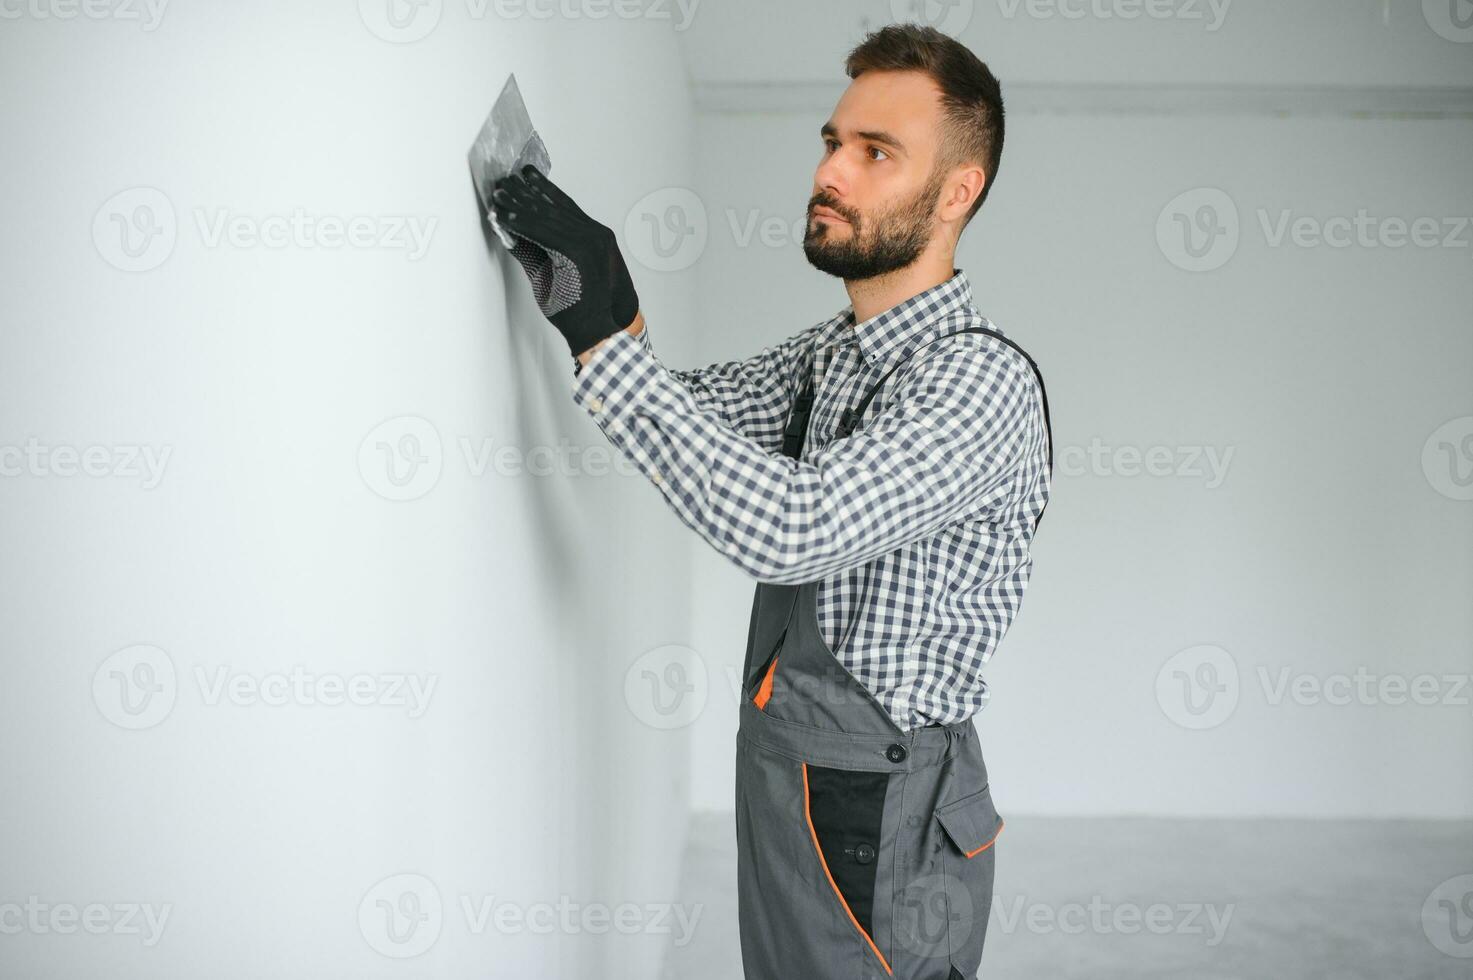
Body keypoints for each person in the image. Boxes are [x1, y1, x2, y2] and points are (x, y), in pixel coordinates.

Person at [491, 22, 1052, 980]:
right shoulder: (833, 351)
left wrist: (607, 345)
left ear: (958, 192)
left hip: (882, 802)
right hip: (796, 772)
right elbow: (686, 412)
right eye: (833, 142)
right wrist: (602, 305)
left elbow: (793, 528)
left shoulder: (975, 384)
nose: (832, 171)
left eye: (877, 153)